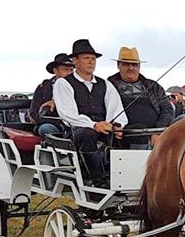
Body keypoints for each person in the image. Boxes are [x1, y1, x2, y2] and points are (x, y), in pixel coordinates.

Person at [52, 39, 127, 181]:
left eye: (93, 59)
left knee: (135, 131)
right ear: (75, 61)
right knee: (88, 134)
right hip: (76, 133)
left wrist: (117, 125)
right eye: (87, 58)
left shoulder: (105, 84)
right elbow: (68, 114)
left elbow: (117, 109)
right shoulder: (64, 83)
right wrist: (93, 125)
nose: (91, 62)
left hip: (104, 128)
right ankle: (95, 178)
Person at [107, 46, 173, 150]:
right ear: (118, 65)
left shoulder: (153, 86)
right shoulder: (107, 86)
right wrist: (115, 125)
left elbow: (167, 109)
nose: (131, 68)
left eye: (134, 64)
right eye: (126, 64)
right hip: (127, 133)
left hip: (158, 132)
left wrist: (157, 131)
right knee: (139, 132)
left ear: (139, 66)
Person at [30, 53, 74, 137]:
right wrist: (59, 123)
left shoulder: (79, 87)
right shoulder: (43, 87)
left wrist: (57, 102)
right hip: (52, 124)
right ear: (55, 71)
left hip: (75, 124)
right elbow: (34, 114)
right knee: (46, 129)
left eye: (71, 70)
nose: (69, 73)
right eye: (65, 69)